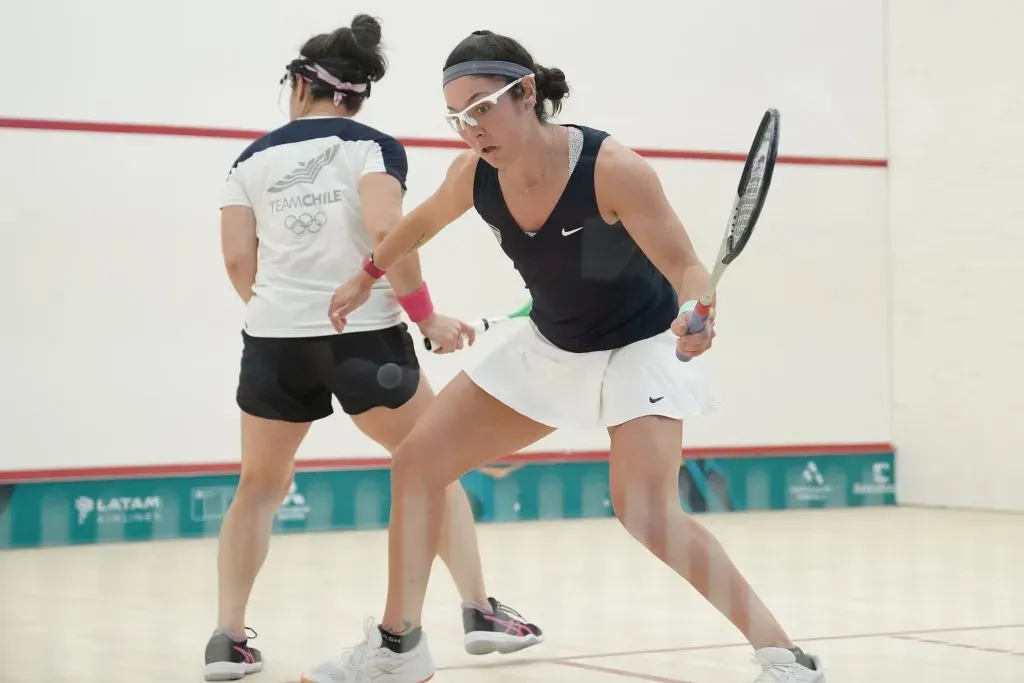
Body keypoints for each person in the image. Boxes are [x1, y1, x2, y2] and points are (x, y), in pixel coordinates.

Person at [301, 29, 826, 683]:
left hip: (640, 344)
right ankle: (397, 646)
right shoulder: (474, 173)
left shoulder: (612, 169)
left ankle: (784, 656)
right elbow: (423, 220)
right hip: (554, 342)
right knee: (416, 464)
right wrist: (367, 273)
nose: (471, 129)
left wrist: (702, 313)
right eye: (457, 117)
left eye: (482, 107)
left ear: (525, 92)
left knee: (646, 512)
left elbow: (687, 266)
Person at [207, 17, 543, 682]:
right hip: (366, 337)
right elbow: (390, 230)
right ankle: (480, 610)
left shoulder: (247, 160)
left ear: (302, 84)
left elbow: (237, 259)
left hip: (275, 340)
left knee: (260, 486)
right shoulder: (374, 148)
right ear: (356, 95)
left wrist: (286, 313)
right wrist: (426, 318)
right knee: (431, 467)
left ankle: (227, 640)